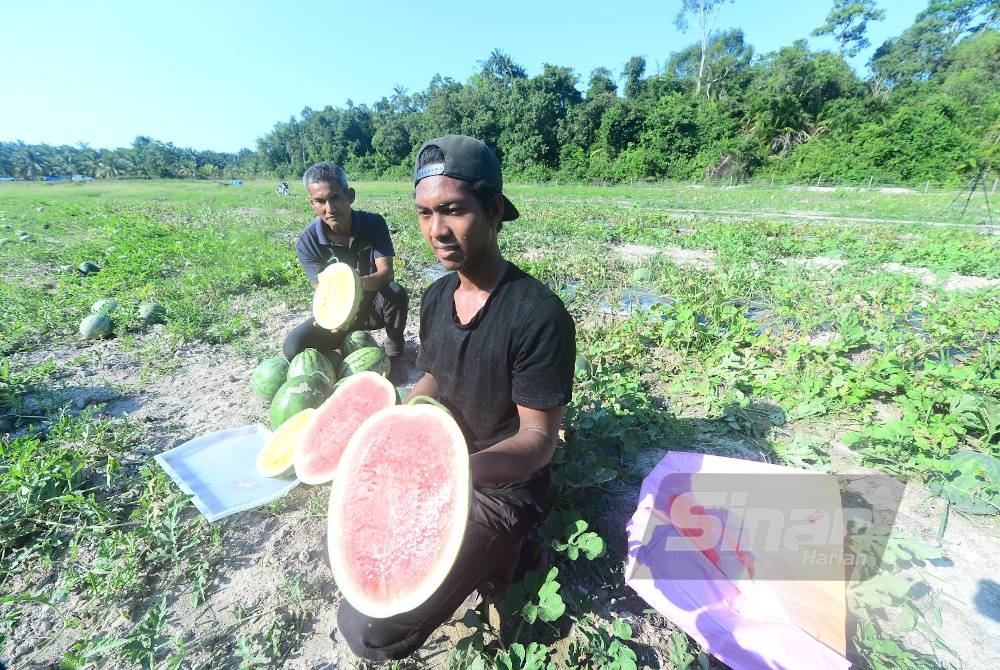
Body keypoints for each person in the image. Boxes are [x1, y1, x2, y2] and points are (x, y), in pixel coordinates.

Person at [336, 135, 576, 660]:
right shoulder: (436, 296)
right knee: (360, 582)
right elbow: (436, 380)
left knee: (373, 631)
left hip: (501, 488)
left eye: (452, 211)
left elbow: (538, 441)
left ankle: (511, 551)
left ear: (492, 211)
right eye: (424, 214)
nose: (436, 231)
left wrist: (451, 471)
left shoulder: (538, 314)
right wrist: (393, 425)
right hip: (438, 469)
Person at [283, 162, 408, 382]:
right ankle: (340, 354)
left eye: (335, 198)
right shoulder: (307, 242)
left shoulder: (374, 223)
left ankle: (394, 355)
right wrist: (333, 319)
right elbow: (322, 291)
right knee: (293, 348)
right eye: (320, 201)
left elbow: (385, 273)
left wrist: (354, 284)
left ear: (349, 195)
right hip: (338, 314)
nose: (329, 208)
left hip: (371, 307)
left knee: (395, 292)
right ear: (311, 202)